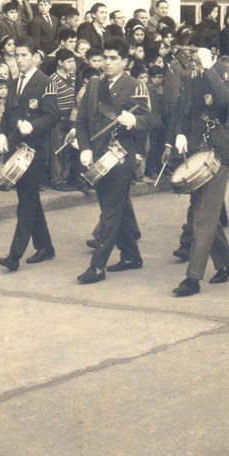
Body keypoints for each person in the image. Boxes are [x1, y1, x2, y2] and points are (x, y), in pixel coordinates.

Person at [75, 37, 151, 284]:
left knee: (111, 212)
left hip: (120, 159)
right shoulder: (95, 85)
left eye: (113, 58)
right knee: (115, 209)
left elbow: (152, 120)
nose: (107, 63)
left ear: (125, 61)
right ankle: (131, 256)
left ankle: (97, 266)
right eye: (105, 58)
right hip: (97, 157)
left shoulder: (134, 85)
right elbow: (83, 121)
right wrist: (84, 148)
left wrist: (134, 122)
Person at [166, 47, 229, 296]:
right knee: (202, 211)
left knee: (203, 218)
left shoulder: (226, 71)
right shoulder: (192, 76)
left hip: (218, 153)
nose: (195, 59)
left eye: (201, 56)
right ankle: (228, 262)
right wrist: (178, 133)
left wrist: (210, 68)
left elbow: (223, 99)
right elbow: (183, 111)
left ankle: (193, 278)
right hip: (199, 150)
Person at [0, 36, 59, 271]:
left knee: (26, 202)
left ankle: (14, 255)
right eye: (16, 55)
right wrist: (2, 134)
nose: (19, 59)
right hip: (16, 147)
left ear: (35, 57)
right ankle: (45, 247)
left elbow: (52, 117)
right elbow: (6, 116)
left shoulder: (45, 82)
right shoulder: (13, 83)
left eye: (24, 55)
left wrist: (33, 127)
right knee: (28, 198)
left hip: (35, 150)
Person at [49, 49, 77, 191]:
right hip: (57, 119)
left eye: (73, 61)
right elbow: (52, 101)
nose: (72, 64)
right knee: (57, 150)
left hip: (69, 118)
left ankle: (64, 178)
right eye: (69, 61)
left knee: (67, 149)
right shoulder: (53, 79)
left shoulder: (72, 76)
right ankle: (57, 180)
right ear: (60, 62)